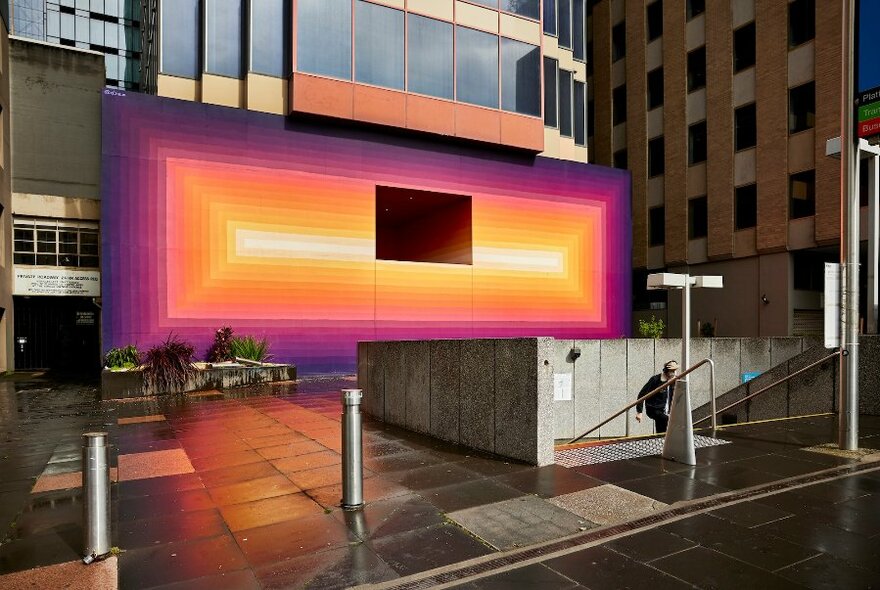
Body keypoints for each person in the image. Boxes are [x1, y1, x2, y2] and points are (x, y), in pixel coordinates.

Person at [635, 360, 678, 433]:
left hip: (665, 410)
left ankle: (661, 440)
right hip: (653, 409)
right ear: (666, 371)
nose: (674, 374)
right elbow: (642, 394)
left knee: (661, 427)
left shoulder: (673, 381)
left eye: (675, 371)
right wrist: (639, 412)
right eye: (672, 371)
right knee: (666, 420)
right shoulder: (655, 380)